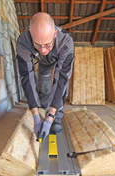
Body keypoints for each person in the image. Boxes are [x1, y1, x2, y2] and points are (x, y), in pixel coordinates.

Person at [16, 12, 74, 142]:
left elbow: (62, 78)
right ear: (30, 33)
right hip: (43, 63)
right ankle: (42, 109)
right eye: (37, 45)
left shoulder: (66, 41)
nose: (43, 50)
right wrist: (36, 115)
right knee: (43, 82)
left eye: (47, 44)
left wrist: (50, 118)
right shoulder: (23, 42)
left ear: (54, 34)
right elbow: (27, 76)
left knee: (63, 85)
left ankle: (57, 114)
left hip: (58, 58)